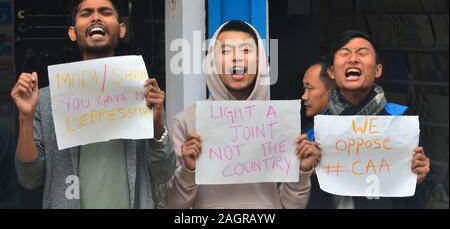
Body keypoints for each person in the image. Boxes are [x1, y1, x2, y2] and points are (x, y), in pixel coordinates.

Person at [11, 0, 175, 209]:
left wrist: (157, 123)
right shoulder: (46, 101)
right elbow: (29, 179)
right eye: (86, 13)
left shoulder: (144, 94)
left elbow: (164, 172)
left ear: (122, 29)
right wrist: (25, 118)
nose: (96, 18)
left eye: (105, 12)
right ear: (72, 32)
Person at [158, 20, 321, 208]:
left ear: (261, 60)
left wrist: (302, 171)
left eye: (246, 50)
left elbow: (291, 205)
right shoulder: (186, 123)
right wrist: (188, 170)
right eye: (226, 51)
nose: (236, 58)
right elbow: (173, 205)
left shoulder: (279, 121)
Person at [320, 30, 432, 208]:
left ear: (377, 70)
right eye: (344, 53)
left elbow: (423, 196)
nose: (353, 59)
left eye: (362, 53)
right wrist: (304, 171)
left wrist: (419, 180)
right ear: (331, 71)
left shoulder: (402, 120)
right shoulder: (316, 131)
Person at [300, 58, 334, 209]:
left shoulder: (354, 129)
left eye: (310, 88)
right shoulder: (305, 135)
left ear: (332, 91)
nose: (304, 96)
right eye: (304, 89)